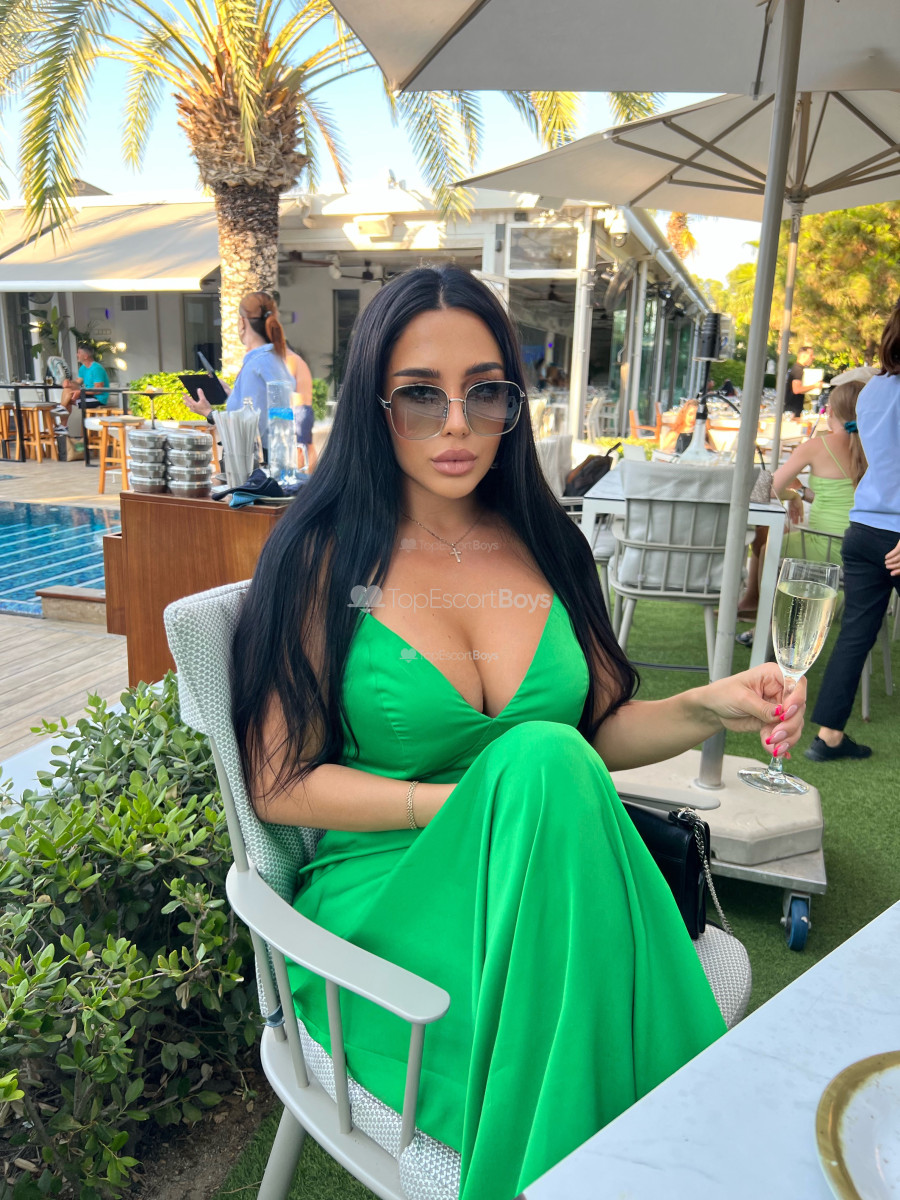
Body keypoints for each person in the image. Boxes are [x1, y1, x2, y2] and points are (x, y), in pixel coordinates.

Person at [229, 267, 806, 1200]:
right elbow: (279, 782)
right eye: (421, 395)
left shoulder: (547, 545)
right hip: (394, 889)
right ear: (376, 404)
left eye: (485, 392)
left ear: (512, 404)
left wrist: (712, 706)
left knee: (549, 758)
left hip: (552, 869)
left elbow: (597, 734)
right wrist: (467, 808)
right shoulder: (324, 557)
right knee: (540, 763)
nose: (456, 424)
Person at [806, 303, 900, 762]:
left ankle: (828, 737)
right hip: (894, 532)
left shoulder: (872, 389)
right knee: (856, 633)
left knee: (855, 634)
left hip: (863, 527)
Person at [735, 380, 866, 635]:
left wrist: (791, 494)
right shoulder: (872, 447)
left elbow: (768, 488)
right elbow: (835, 499)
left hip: (823, 544)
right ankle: (769, 614)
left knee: (769, 547)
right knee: (779, 537)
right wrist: (800, 493)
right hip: (859, 548)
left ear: (830, 411)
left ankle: (767, 628)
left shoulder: (817, 446)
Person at [183, 291, 293, 452]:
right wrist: (232, 393)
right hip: (272, 457)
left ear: (242, 322)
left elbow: (247, 430)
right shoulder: (271, 359)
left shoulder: (257, 364)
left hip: (257, 462)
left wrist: (208, 412)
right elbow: (262, 410)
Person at [58, 345, 110, 458]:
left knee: (68, 398)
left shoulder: (96, 368)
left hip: (98, 398)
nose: (77, 355)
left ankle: (62, 419)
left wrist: (81, 392)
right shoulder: (82, 368)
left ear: (85, 356)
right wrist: (68, 382)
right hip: (86, 395)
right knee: (67, 391)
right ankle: (63, 424)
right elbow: (77, 383)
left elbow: (98, 390)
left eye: (79, 353)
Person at [285, 341, 317, 471]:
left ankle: (300, 476)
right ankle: (313, 475)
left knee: (299, 447)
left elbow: (285, 384)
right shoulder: (300, 362)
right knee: (308, 445)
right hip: (306, 408)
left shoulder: (291, 359)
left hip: (299, 409)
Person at [784, 345, 817, 418]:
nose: (813, 357)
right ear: (803, 356)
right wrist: (815, 386)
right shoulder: (798, 370)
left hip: (793, 408)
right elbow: (796, 390)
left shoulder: (797, 368)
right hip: (792, 409)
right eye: (811, 355)